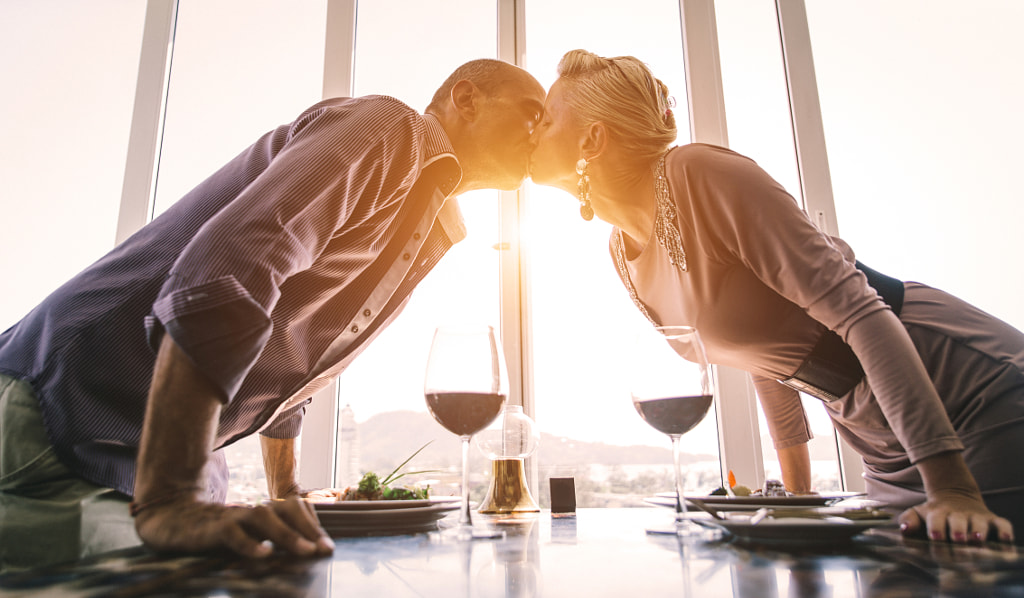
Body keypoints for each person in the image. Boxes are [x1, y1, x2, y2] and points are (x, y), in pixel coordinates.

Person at [0, 58, 546, 570]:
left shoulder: (429, 222)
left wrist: (285, 492)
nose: (541, 133)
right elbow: (229, 272)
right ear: (467, 99)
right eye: (532, 113)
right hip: (57, 411)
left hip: (125, 460)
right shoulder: (390, 129)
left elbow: (290, 376)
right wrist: (173, 499)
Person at [528, 49, 1023, 544]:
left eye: (547, 118)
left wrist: (952, 486)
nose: (534, 129)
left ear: (592, 138)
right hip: (883, 442)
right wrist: (796, 495)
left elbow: (861, 314)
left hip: (964, 392)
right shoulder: (621, 250)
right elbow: (764, 350)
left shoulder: (698, 174)